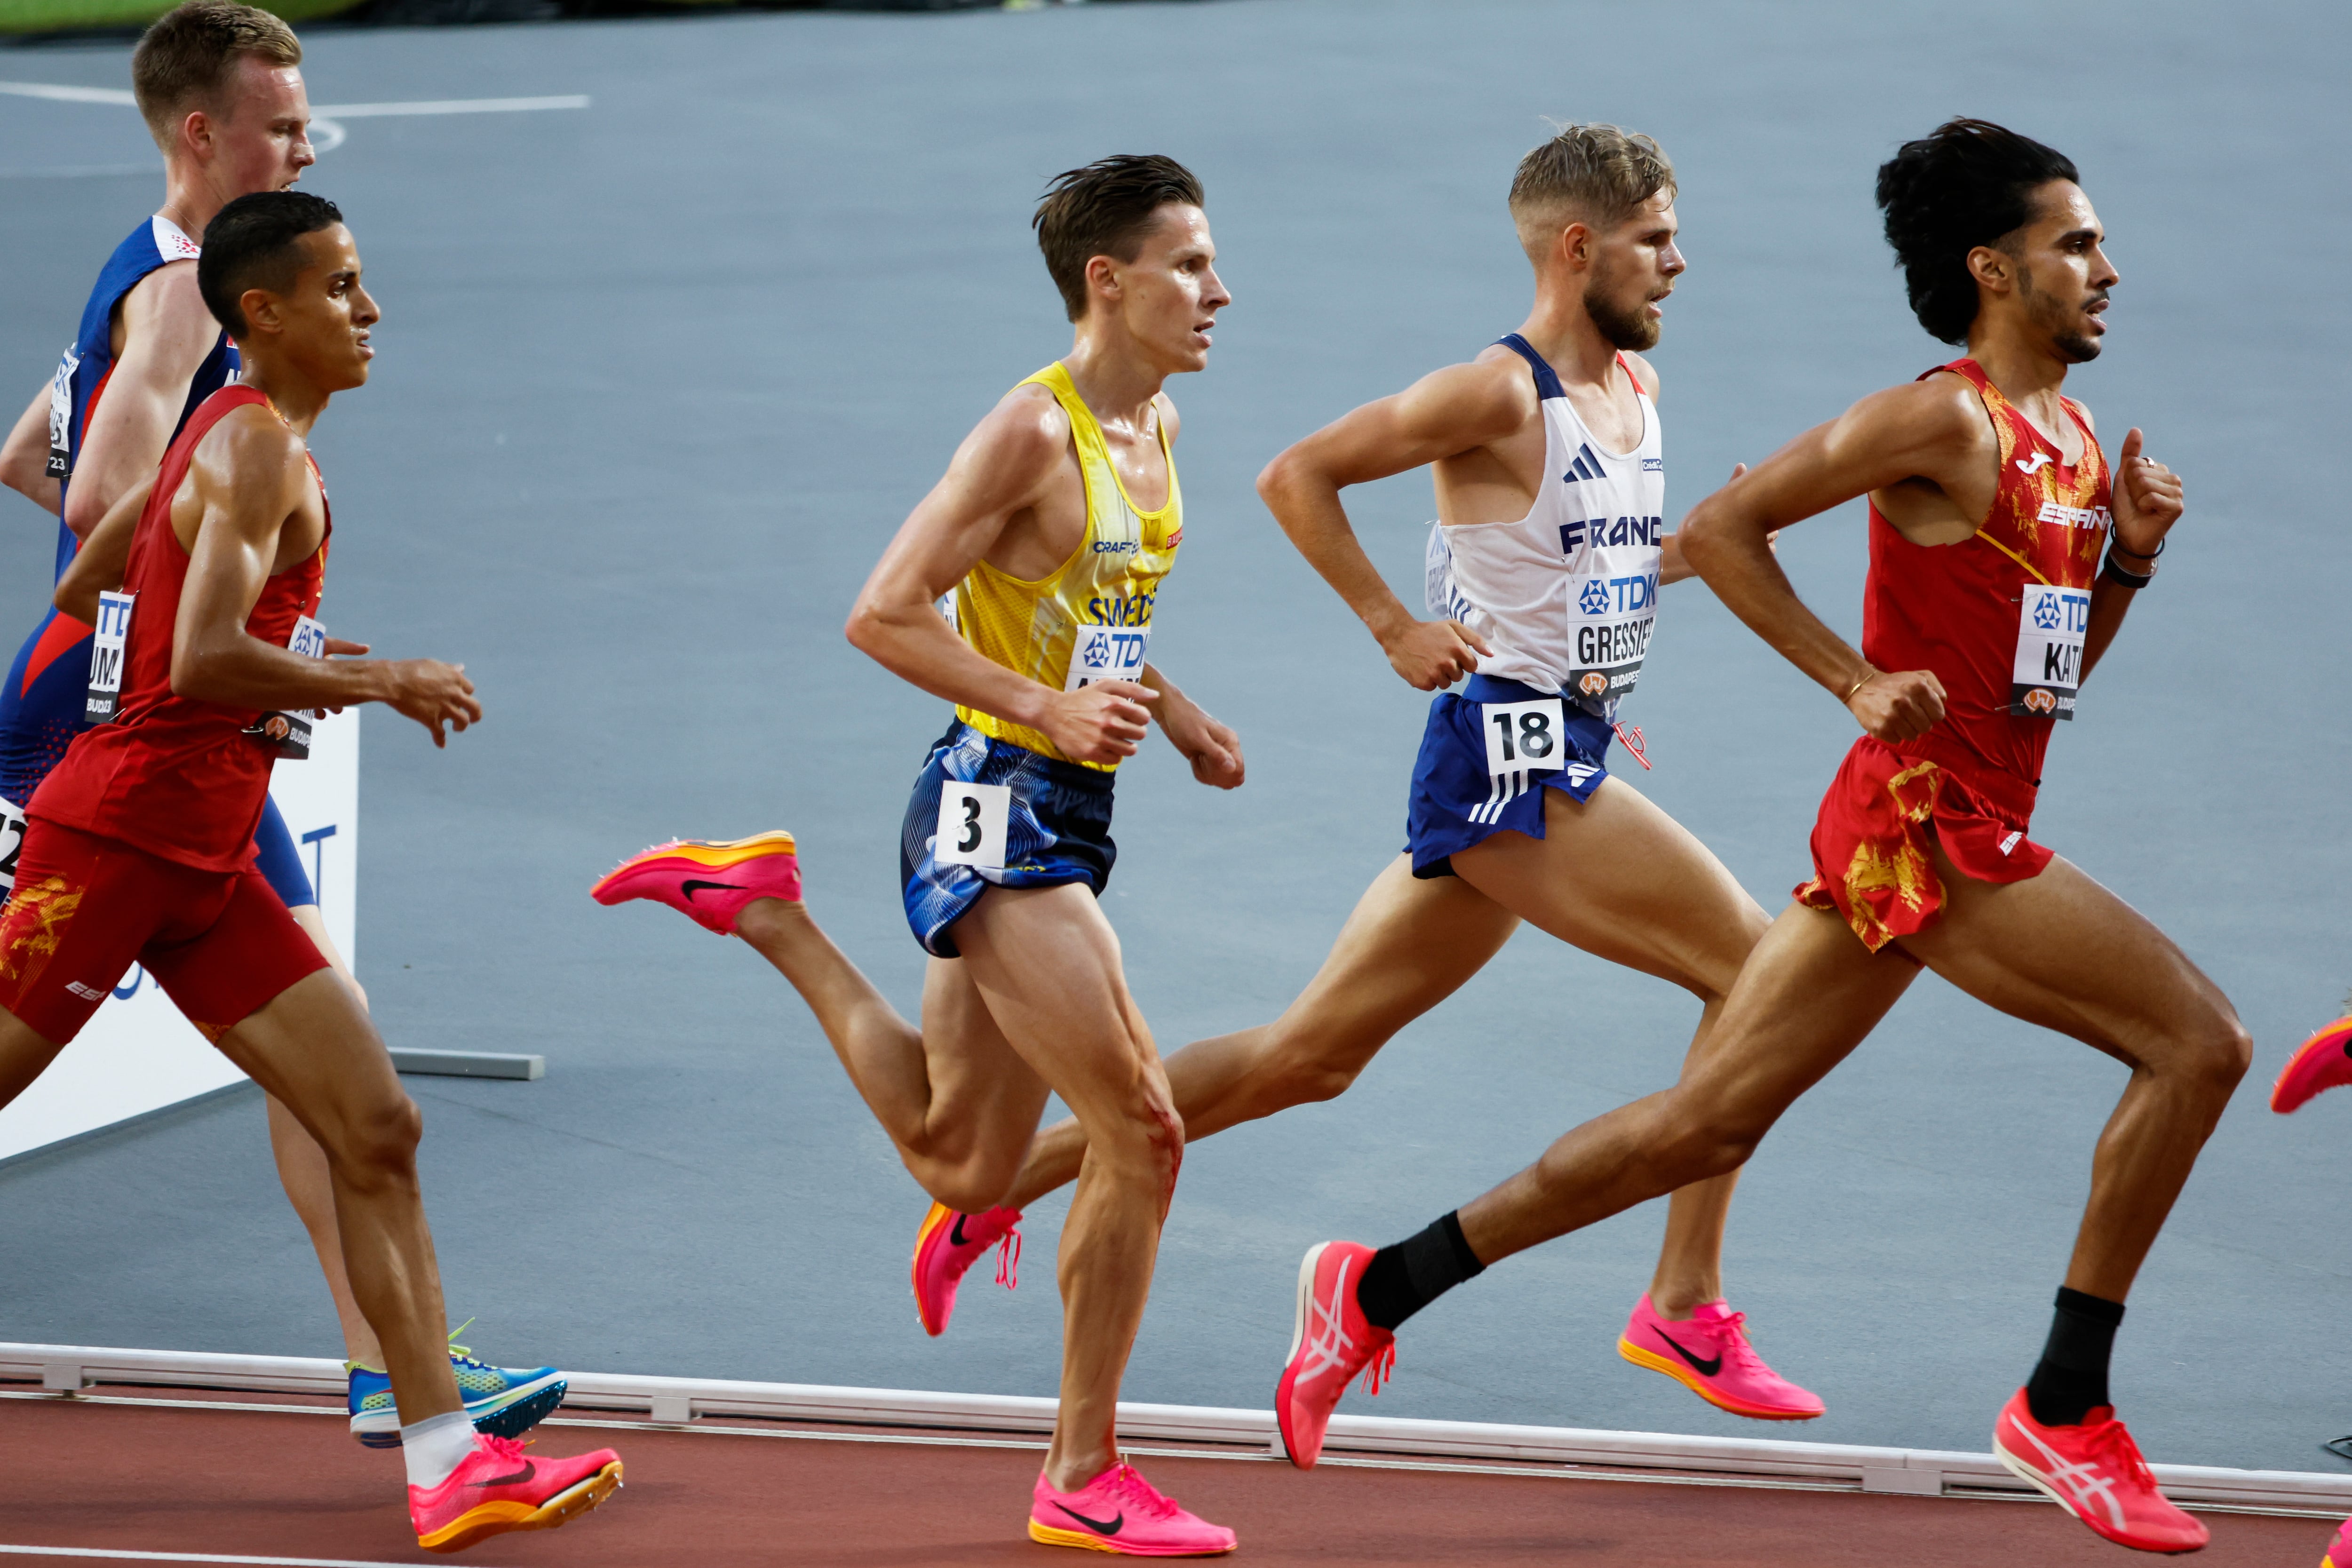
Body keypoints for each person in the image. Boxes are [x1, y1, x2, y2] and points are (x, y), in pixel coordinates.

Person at [1273, 117, 2246, 1555]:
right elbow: (1730, 529)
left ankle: (1372, 1290)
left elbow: (2047, 688)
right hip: (1931, 835)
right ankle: (2066, 1402)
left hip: (1959, 812)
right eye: (2078, 245)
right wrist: (1853, 679)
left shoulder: (2077, 445)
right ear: (1994, 269)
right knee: (2199, 1044)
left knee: (1703, 1122)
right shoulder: (1939, 419)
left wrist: (2135, 563)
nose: (2109, 269)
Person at [914, 124, 1824, 1449]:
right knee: (1761, 977)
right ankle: (1683, 1298)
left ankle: (1002, 1194)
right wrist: (1391, 623)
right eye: (1656, 239)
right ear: (1579, 248)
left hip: (1556, 744)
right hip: (1509, 761)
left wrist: (1690, 553)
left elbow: (1578, 566)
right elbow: (1299, 475)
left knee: (1311, 1058)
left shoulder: (1634, 389)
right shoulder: (1497, 394)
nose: (1680, 263)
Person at [594, 154, 1240, 1556]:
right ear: (1108, 283)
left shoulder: (1163, 424)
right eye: (1190, 265)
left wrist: (1173, 714)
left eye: (1214, 262)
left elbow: (1088, 611)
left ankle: (767, 911)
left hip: (1066, 805)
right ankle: (1081, 1469)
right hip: (997, 804)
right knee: (1142, 1130)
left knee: (965, 1168)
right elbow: (883, 613)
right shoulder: (1029, 430)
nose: (1219, 290)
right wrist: (1044, 708)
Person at [0, 191, 623, 1554]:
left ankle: (448, 1460)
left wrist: (261, 682)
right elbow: (196, 657)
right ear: (263, 313)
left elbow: (89, 587)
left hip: (204, 861)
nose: (373, 310)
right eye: (344, 288)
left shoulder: (232, 441)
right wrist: (372, 678)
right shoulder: (256, 456)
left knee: (378, 1128)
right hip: (113, 845)